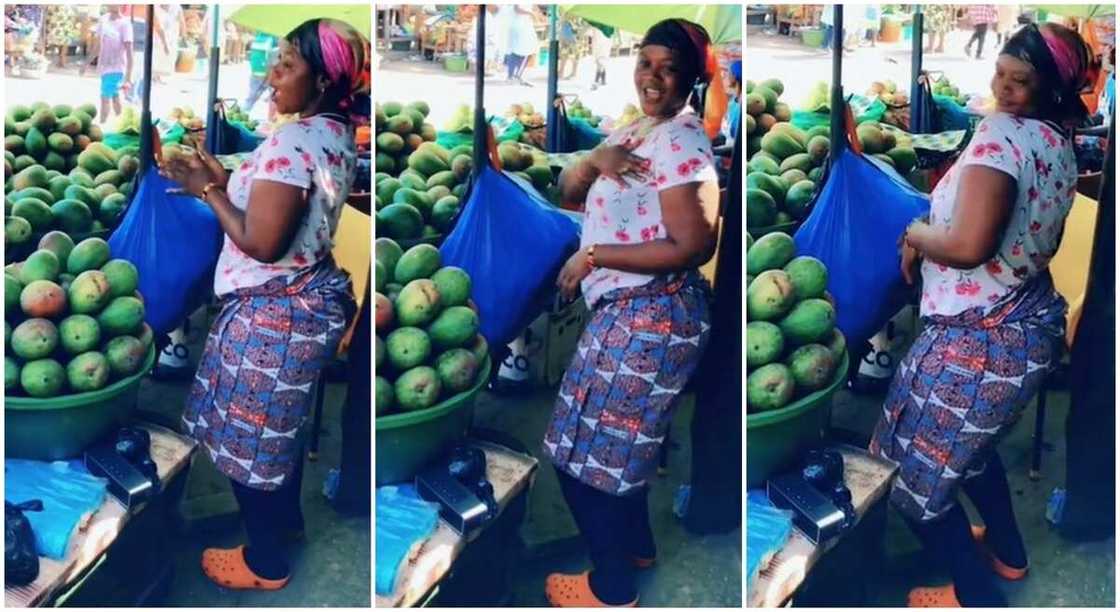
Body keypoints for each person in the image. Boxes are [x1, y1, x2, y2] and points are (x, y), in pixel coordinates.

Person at [869, 23, 1094, 607]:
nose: (1003, 88)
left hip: (979, 340)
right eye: (1000, 74)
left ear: (1052, 89)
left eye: (1021, 81)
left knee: (911, 479)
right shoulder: (1057, 140)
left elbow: (970, 246)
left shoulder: (1001, 138)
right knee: (969, 455)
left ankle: (974, 594)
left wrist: (916, 230)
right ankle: (1008, 555)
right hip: (1022, 322)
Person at [162, 18, 369, 590]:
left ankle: (266, 562)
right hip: (307, 298)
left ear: (324, 80)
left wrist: (208, 191)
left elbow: (262, 240)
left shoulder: (293, 141)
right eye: (273, 59)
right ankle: (286, 525)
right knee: (277, 429)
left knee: (250, 438)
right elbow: (279, 207)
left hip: (275, 310)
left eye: (287, 64)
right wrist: (223, 178)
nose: (271, 73)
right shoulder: (333, 132)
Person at [542, 18, 722, 607]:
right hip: (630, 312)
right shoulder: (639, 129)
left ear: (691, 78)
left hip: (651, 316)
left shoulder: (682, 142)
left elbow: (694, 245)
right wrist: (597, 156)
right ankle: (635, 550)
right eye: (646, 62)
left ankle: (611, 586)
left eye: (669, 68)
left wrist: (594, 255)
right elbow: (567, 190)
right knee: (618, 448)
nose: (653, 77)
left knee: (577, 457)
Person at [84, 5, 133, 124]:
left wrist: (128, 77)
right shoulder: (103, 19)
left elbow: (129, 52)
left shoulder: (125, 24)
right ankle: (122, 123)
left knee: (105, 98)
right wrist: (86, 63)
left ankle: (102, 124)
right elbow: (98, 45)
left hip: (117, 67)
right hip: (104, 66)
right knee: (115, 97)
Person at [245, 31, 279, 111]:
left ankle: (242, 114)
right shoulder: (273, 39)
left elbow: (251, 55)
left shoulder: (257, 37)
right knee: (275, 99)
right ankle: (273, 121)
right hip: (268, 72)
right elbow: (274, 59)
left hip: (255, 72)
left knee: (251, 99)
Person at [506, 5, 539, 86]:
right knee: (516, 51)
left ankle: (516, 75)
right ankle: (511, 76)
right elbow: (516, 9)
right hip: (518, 26)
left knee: (530, 50)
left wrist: (535, 13)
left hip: (525, 26)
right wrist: (531, 13)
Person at [153, 4, 186, 83]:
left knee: (167, 56)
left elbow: (182, 22)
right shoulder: (155, 6)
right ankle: (155, 76)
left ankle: (160, 76)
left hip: (171, 36)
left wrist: (183, 36)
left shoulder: (177, 7)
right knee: (156, 55)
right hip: (157, 36)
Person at [589, 25, 611, 90]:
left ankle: (596, 82)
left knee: (600, 62)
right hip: (600, 43)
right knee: (601, 62)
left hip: (603, 43)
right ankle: (603, 80)